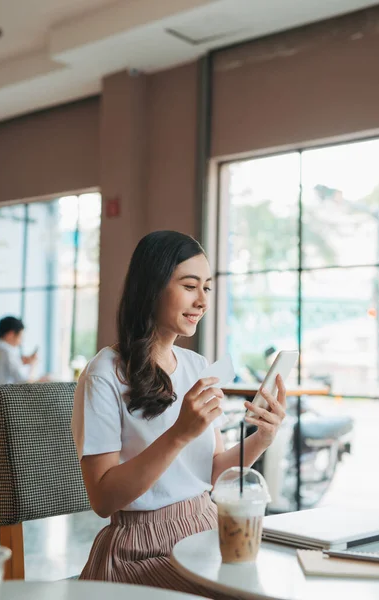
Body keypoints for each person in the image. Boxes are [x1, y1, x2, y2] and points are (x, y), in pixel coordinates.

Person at [71, 231, 286, 598]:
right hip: (140, 550)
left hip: (205, 530)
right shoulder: (104, 373)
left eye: (207, 288)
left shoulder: (197, 366)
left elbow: (214, 471)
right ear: (152, 288)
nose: (202, 300)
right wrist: (179, 434)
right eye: (190, 286)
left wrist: (262, 439)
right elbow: (103, 499)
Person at [0, 316, 38, 384]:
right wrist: (33, 365)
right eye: (20, 337)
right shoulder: (8, 351)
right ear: (11, 334)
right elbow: (25, 383)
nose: (21, 342)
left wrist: (20, 362)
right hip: (4, 393)